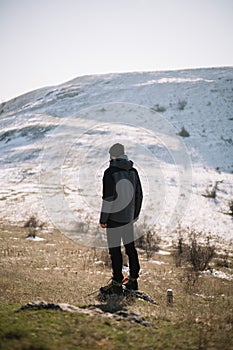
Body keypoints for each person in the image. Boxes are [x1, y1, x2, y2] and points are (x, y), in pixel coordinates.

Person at [99, 143, 143, 295]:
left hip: (114, 219)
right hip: (128, 218)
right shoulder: (134, 172)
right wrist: (134, 215)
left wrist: (103, 219)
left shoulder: (110, 173)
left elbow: (108, 198)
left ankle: (117, 283)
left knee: (115, 251)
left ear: (112, 156)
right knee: (131, 249)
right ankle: (133, 281)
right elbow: (139, 195)